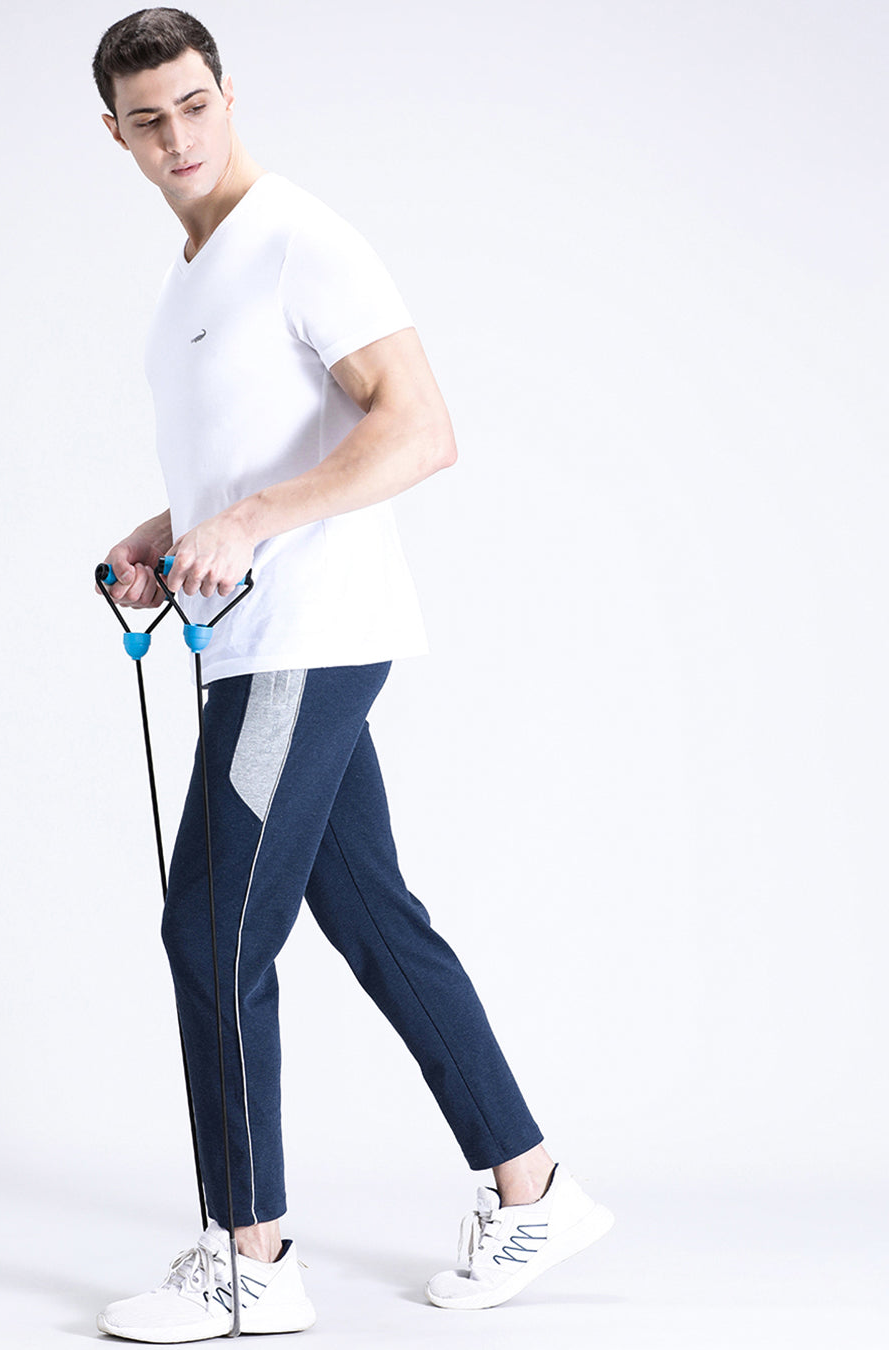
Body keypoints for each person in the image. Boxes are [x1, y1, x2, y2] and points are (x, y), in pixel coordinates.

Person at [91, 9, 614, 1341]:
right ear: (116, 135)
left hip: (302, 640)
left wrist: (248, 525)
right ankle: (534, 1187)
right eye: (148, 120)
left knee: (211, 933)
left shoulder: (300, 239)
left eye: (194, 105)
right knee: (375, 917)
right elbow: (251, 462)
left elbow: (423, 429)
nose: (177, 137)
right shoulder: (192, 278)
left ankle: (250, 1258)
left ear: (228, 94)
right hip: (252, 640)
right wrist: (167, 535)